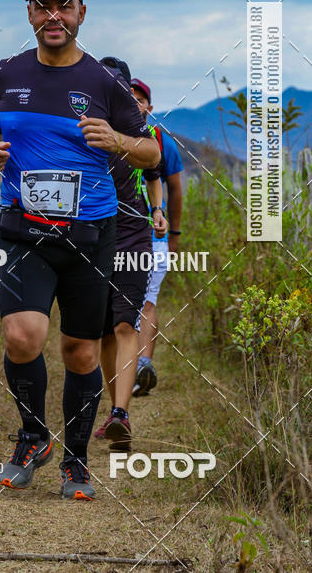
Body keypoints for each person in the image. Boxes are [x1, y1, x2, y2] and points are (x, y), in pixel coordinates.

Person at [0, 0, 160, 499]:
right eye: (42, 6)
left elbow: (150, 150)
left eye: (64, 6)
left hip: (89, 235)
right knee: (20, 335)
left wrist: (115, 140)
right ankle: (33, 436)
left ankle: (76, 460)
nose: (53, 15)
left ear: (81, 13)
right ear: (30, 13)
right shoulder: (8, 73)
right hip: (24, 229)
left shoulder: (103, 82)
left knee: (80, 351)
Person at [93, 58, 167, 450]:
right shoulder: (85, 127)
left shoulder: (140, 132)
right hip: (92, 235)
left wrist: (158, 211)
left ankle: (121, 414)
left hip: (134, 235)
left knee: (126, 324)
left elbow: (154, 173)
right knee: (105, 332)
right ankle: (113, 410)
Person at [130, 77, 184, 397]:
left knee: (147, 299)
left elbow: (175, 189)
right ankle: (129, 365)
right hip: (117, 233)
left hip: (154, 234)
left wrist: (174, 234)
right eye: (130, 99)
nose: (135, 104)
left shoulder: (162, 141)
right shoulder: (111, 139)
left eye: (140, 100)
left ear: (150, 108)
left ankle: (143, 365)